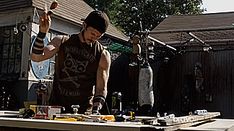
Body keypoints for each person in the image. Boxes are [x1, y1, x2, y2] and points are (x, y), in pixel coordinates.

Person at [30, 10, 111, 115]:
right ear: (84, 25)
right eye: (92, 33)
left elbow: (101, 88)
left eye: (98, 36)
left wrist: (95, 111)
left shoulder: (102, 54)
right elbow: (37, 57)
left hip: (84, 112)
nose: (94, 38)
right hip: (56, 109)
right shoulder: (62, 41)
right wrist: (42, 33)